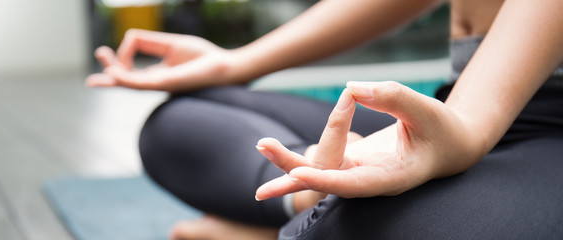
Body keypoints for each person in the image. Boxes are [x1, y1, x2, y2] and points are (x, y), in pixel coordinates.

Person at [86, 0, 563, 239]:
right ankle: (311, 193)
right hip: (464, 101)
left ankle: (269, 225)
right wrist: (237, 62)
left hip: (549, 132)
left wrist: (468, 124)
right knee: (180, 122)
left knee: (335, 231)